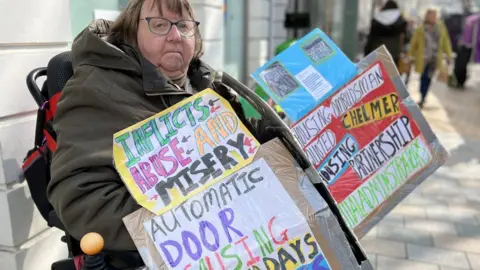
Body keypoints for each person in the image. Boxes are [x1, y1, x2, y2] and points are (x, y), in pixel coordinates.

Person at [46, 0, 275, 267]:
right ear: (132, 31)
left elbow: (243, 146)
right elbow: (82, 203)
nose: (176, 36)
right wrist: (193, 218)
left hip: (246, 234)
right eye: (159, 25)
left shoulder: (203, 81)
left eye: (185, 26)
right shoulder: (96, 89)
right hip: (176, 251)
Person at [408, 8, 453, 108]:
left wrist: (449, 55)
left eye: (434, 15)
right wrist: (410, 54)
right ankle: (422, 95)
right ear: (427, 16)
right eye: (431, 15)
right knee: (423, 77)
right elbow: (413, 42)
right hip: (423, 58)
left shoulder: (441, 27)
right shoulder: (421, 28)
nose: (433, 17)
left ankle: (424, 96)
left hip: (435, 58)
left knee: (429, 77)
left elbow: (446, 42)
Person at [364, 0, 408, 66]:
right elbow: (405, 38)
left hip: (377, 52)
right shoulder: (401, 22)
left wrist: (366, 53)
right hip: (394, 54)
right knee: (392, 75)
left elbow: (371, 39)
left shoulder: (376, 20)